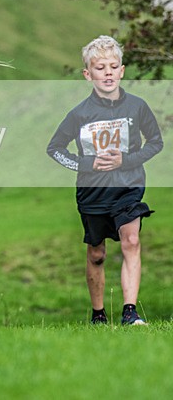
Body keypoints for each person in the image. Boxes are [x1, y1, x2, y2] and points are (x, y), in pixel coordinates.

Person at [47, 36, 163, 326]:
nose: (108, 73)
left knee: (131, 241)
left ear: (121, 71)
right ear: (88, 74)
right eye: (100, 68)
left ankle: (130, 312)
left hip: (128, 187)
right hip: (93, 193)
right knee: (97, 253)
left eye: (113, 67)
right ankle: (98, 314)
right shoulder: (79, 114)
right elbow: (55, 149)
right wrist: (87, 163)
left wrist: (127, 160)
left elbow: (156, 142)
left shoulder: (137, 107)